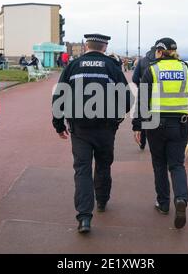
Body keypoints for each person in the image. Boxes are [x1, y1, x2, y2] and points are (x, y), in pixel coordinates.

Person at [52, 33, 131, 234]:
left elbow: (59, 95)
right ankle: (102, 201)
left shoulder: (73, 65)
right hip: (106, 128)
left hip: (80, 129)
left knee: (82, 170)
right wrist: (117, 118)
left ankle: (84, 218)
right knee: (104, 165)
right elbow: (127, 99)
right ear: (104, 47)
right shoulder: (112, 67)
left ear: (87, 45)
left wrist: (58, 124)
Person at [132, 38, 188, 229]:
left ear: (160, 51)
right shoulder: (185, 68)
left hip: (155, 124)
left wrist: (137, 125)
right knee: (176, 165)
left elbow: (143, 99)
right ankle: (181, 199)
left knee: (159, 164)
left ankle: (163, 203)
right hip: (180, 123)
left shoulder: (152, 69)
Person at [132, 46, 157, 150]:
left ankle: (142, 142)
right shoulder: (160, 62)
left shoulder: (142, 61)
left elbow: (134, 78)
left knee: (143, 115)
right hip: (159, 93)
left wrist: (140, 85)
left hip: (144, 90)